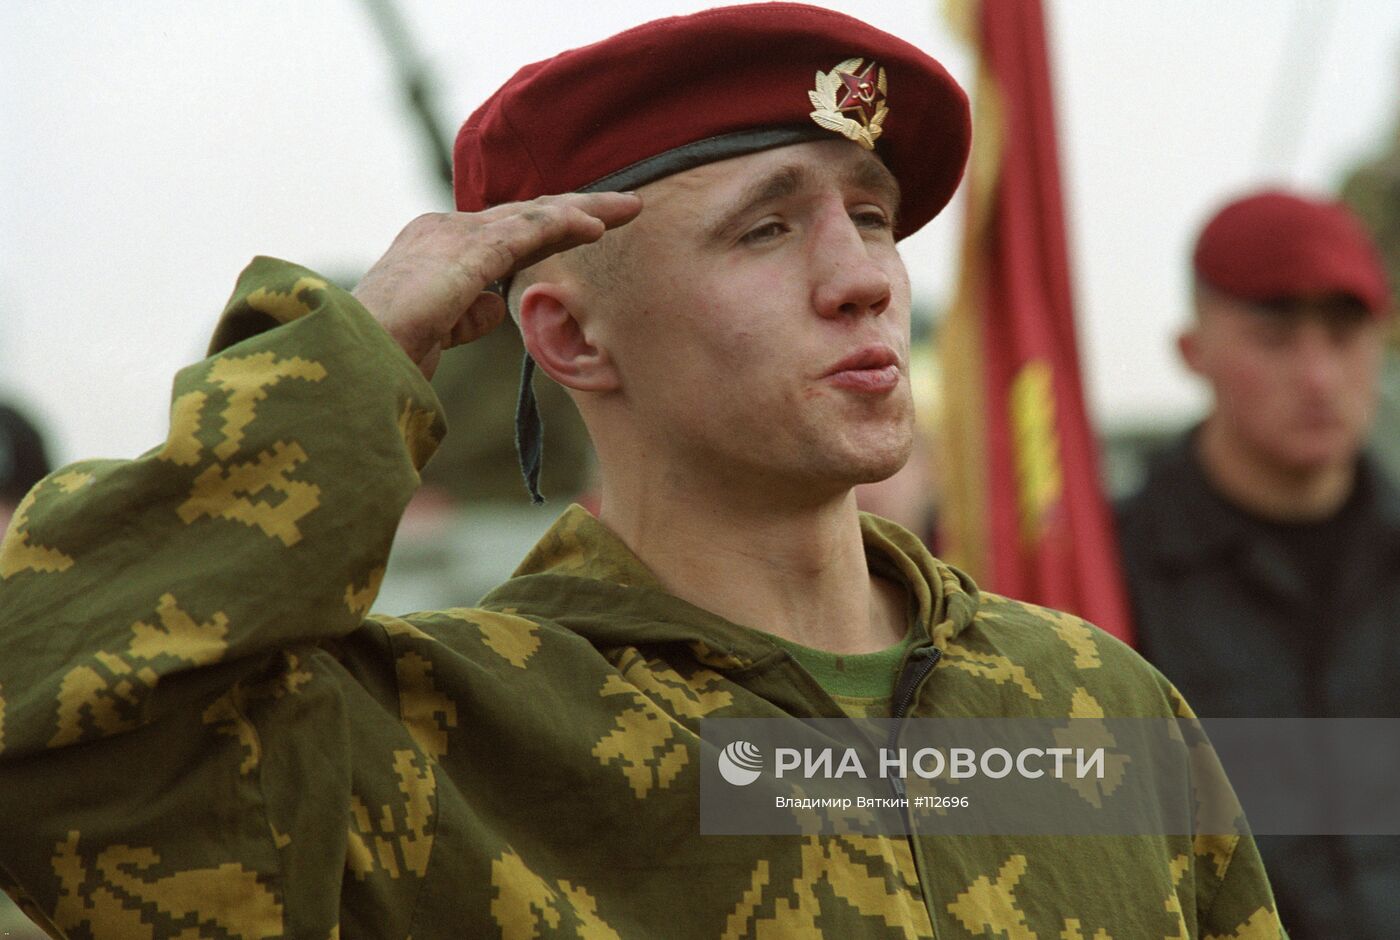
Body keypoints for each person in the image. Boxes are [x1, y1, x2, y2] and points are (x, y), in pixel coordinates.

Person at [0, 5, 1284, 937]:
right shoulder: (435, 742)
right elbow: (38, 721)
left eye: (872, 216)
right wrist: (354, 348)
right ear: (566, 334)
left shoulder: (1091, 701)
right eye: (766, 228)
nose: (863, 280)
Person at [1116, 189, 1398, 937]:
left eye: (1344, 335)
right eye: (1274, 338)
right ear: (1193, 351)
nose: (1319, 377)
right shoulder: (1107, 578)